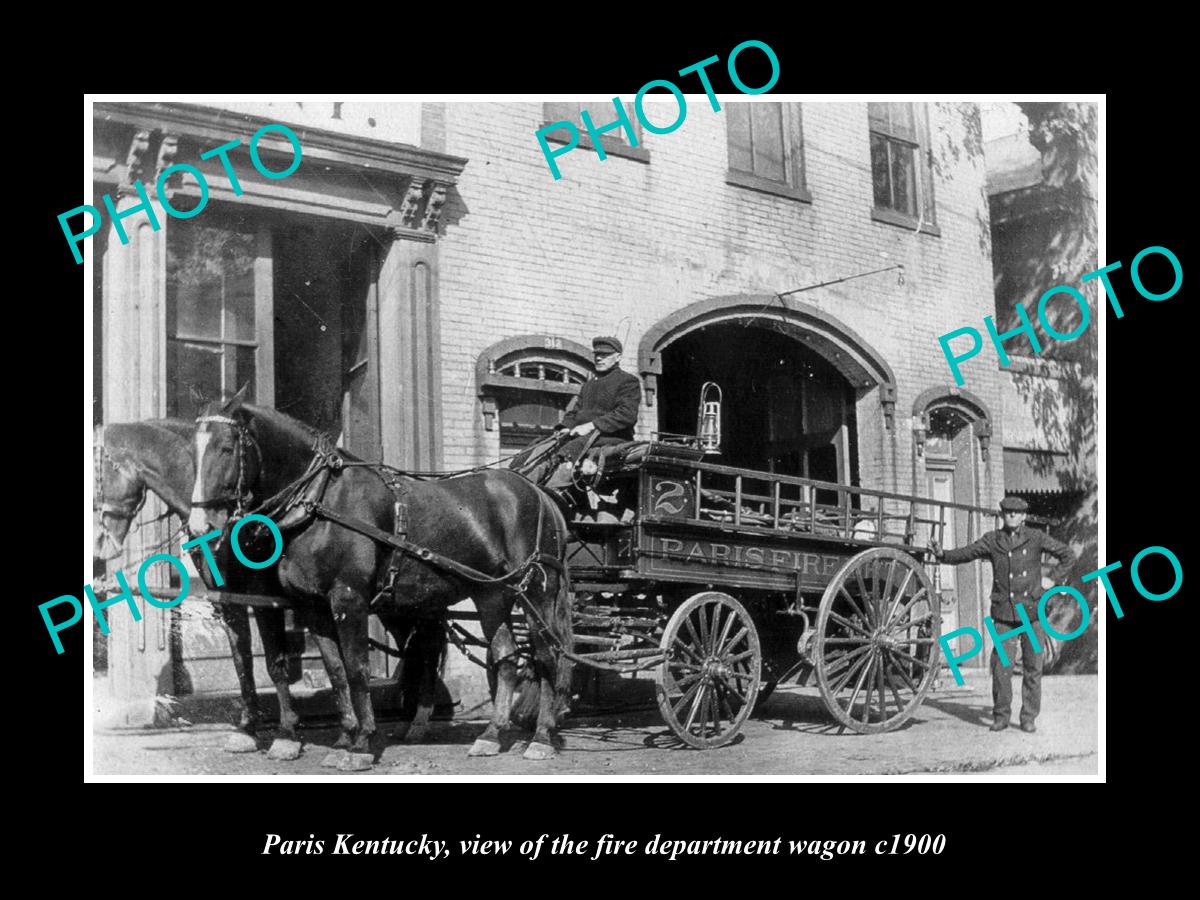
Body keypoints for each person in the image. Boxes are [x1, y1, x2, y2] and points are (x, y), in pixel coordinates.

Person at [930, 495, 1074, 733]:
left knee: (1033, 668)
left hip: (1032, 613)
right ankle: (1001, 716)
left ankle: (1028, 717)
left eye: (1016, 513)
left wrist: (1052, 580)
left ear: (1024, 516)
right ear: (1002, 516)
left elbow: (1068, 554)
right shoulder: (993, 540)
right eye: (1007, 513)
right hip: (1004, 614)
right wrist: (943, 554)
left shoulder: (1036, 537)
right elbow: (968, 552)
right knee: (1001, 668)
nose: (1012, 517)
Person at [541, 336, 641, 497]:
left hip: (611, 436)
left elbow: (626, 414)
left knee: (569, 450)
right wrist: (565, 427)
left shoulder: (627, 381)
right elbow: (575, 412)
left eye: (605, 355)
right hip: (586, 436)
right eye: (597, 354)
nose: (599, 358)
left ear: (618, 357)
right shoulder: (588, 385)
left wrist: (591, 425)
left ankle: (553, 494)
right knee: (545, 446)